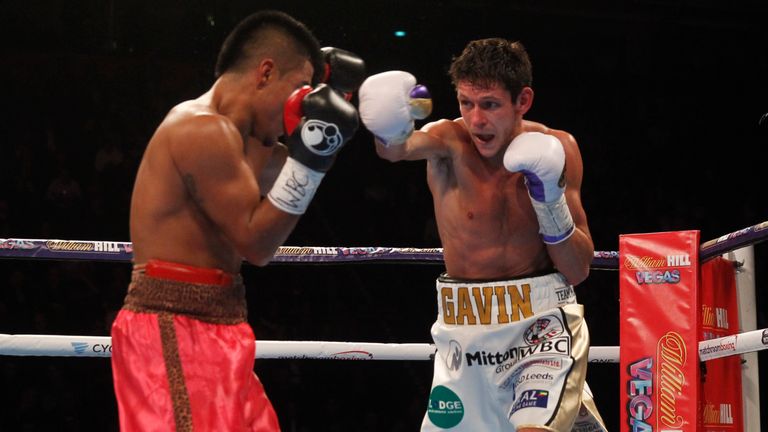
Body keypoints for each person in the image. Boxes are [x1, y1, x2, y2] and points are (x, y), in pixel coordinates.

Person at [110, 10, 363, 431]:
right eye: (298, 90)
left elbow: (292, 172)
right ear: (265, 72)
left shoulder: (244, 141)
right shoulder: (201, 130)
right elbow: (257, 243)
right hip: (172, 327)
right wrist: (314, 155)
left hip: (222, 324)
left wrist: (337, 126)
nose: (298, 106)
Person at [359, 38, 606, 431]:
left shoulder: (559, 147)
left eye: (489, 105)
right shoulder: (448, 142)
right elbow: (398, 149)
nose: (475, 120)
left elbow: (577, 270)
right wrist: (387, 128)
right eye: (465, 103)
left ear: (522, 101)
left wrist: (549, 200)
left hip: (540, 325)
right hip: (463, 333)